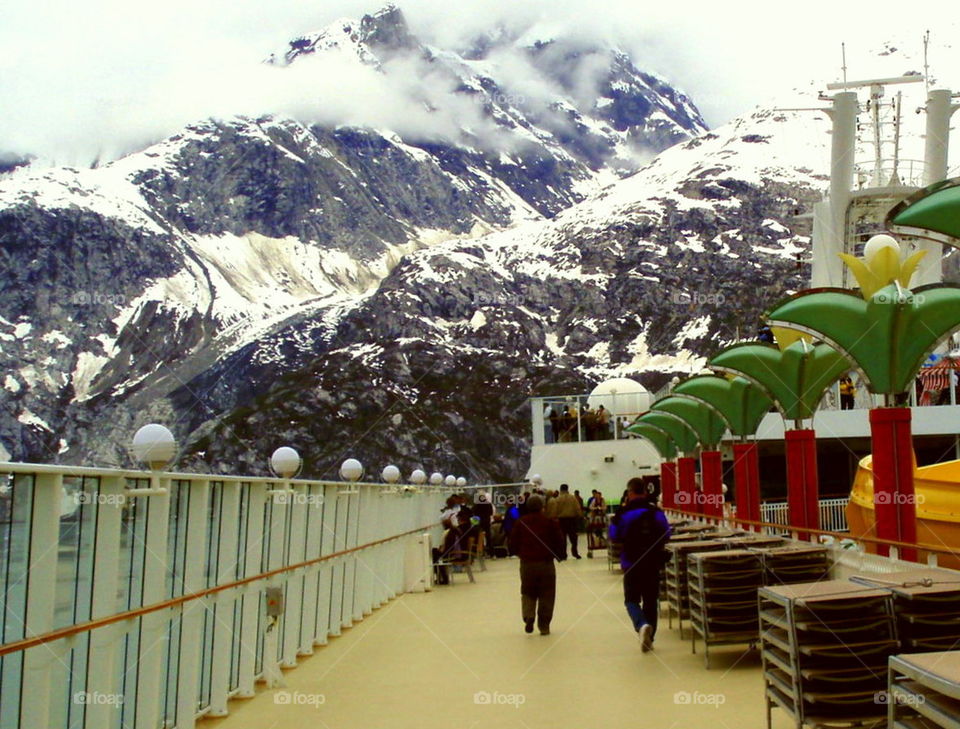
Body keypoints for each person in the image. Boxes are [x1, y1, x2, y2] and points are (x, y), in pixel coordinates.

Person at [609, 478, 671, 652]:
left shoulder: (622, 513)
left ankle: (641, 624)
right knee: (651, 600)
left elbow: (614, 536)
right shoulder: (655, 512)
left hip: (631, 561)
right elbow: (666, 533)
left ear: (629, 493)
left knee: (631, 600)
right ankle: (650, 637)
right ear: (645, 491)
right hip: (652, 562)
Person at [508, 495, 566, 635]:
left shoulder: (521, 522)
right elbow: (559, 540)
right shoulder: (549, 522)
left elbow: (512, 542)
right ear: (542, 507)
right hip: (546, 563)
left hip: (527, 564)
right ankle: (544, 625)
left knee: (528, 591)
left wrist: (518, 553)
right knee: (547, 594)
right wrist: (560, 555)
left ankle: (529, 616)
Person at [552, 484, 583, 558]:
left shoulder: (558, 499)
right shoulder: (573, 498)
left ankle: (563, 554)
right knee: (574, 538)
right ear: (567, 489)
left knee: (562, 538)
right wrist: (580, 516)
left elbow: (554, 510)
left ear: (560, 489)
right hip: (572, 520)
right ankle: (575, 553)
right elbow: (577, 508)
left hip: (561, 521)